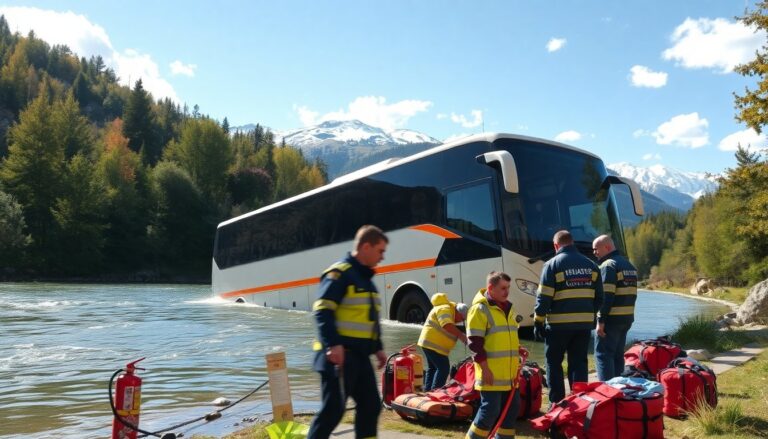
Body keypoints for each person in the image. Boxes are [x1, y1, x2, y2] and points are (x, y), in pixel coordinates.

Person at [307, 225, 389, 439]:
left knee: (371, 406)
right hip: (338, 356)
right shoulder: (340, 274)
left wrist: (378, 348)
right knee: (333, 411)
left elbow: (369, 319)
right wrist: (333, 344)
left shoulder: (365, 280)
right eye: (380, 251)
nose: (382, 257)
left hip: (359, 357)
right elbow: (322, 310)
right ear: (366, 247)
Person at [534, 230, 603, 405]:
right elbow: (599, 298)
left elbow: (544, 298)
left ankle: (557, 403)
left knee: (554, 363)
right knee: (579, 363)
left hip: (558, 326)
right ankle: (579, 402)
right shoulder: (591, 265)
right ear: (572, 243)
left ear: (556, 245)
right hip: (583, 326)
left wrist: (538, 321)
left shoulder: (551, 265)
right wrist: (588, 314)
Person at [465, 271, 522, 439]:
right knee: (489, 412)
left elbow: (504, 337)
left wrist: (518, 348)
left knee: (511, 412)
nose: (507, 292)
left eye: (508, 287)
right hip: (491, 373)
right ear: (490, 288)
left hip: (510, 375)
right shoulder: (479, 310)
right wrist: (485, 369)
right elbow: (475, 344)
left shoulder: (508, 308)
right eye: (503, 288)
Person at [592, 234, 638, 381]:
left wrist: (600, 320)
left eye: (596, 249)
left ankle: (606, 390)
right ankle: (619, 387)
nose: (594, 252)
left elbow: (606, 296)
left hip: (611, 320)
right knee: (618, 356)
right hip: (626, 319)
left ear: (607, 247)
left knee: (603, 355)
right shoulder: (629, 265)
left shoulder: (608, 265)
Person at [417, 293, 469, 391]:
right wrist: (462, 336)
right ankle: (435, 393)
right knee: (443, 368)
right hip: (433, 344)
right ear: (458, 312)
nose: (460, 321)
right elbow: (446, 325)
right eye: (462, 318)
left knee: (433, 368)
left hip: (428, 343)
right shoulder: (445, 309)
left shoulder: (448, 310)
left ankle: (428, 392)